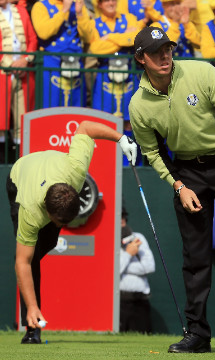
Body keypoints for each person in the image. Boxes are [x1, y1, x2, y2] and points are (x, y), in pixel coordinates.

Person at [129, 26, 215, 353]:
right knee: (195, 256)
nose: (165, 56)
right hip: (188, 172)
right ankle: (198, 334)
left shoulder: (201, 71)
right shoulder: (138, 105)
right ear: (141, 58)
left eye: (168, 48)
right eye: (156, 51)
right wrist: (178, 186)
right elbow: (152, 152)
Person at [6, 121, 137, 344]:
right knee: (31, 257)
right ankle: (32, 327)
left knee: (40, 248)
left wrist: (121, 138)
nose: (64, 225)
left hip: (52, 168)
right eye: (58, 222)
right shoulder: (30, 211)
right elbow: (22, 263)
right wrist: (32, 306)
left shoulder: (76, 171)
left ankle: (32, 318)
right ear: (47, 213)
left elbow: (85, 127)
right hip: (19, 177)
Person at [31, 0, 93, 108]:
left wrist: (79, 14)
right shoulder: (40, 6)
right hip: (51, 64)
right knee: (51, 106)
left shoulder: (78, 5)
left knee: (76, 106)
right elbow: (43, 33)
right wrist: (64, 10)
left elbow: (88, 37)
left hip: (76, 64)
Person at [0, 0, 37, 160]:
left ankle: (19, 161)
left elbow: (32, 39)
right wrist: (10, 64)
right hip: (2, 73)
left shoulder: (21, 11)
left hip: (23, 73)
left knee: (22, 120)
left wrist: (26, 60)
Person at [120, 206, 155, 333]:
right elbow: (112, 271)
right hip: (119, 303)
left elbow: (149, 266)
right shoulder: (109, 240)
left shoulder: (137, 237)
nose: (121, 221)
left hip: (140, 301)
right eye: (118, 217)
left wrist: (123, 266)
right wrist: (128, 254)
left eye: (123, 217)